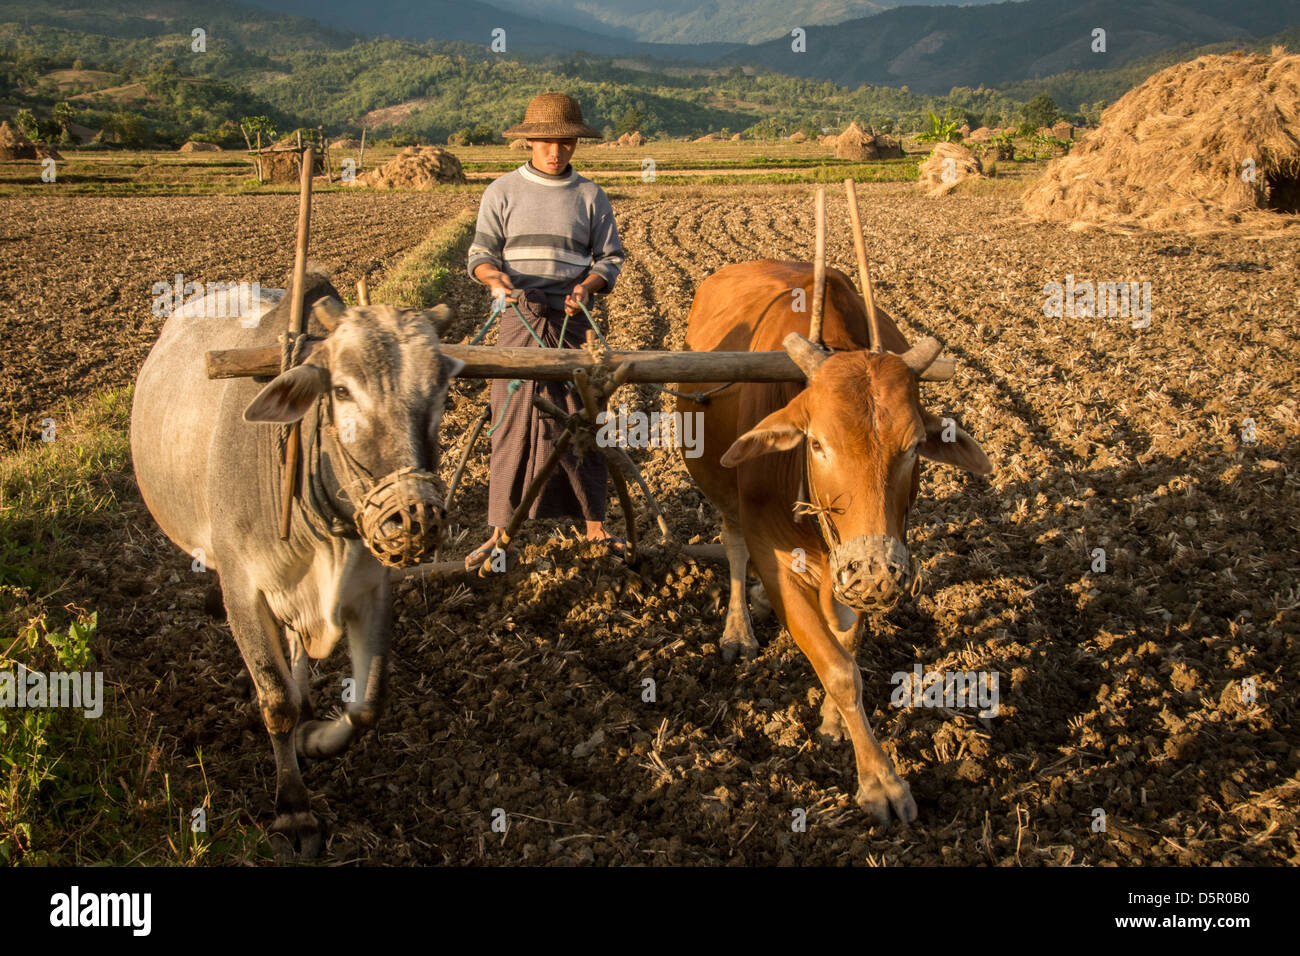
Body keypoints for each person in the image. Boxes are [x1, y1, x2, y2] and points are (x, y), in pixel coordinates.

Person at [464, 92, 626, 569]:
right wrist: (496, 279)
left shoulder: (590, 196)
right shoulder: (502, 192)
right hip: (519, 314)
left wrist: (586, 286)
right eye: (546, 142)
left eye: (565, 142)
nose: (555, 151)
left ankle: (595, 525)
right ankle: (500, 532)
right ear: (529, 142)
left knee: (579, 414)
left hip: (570, 318)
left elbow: (610, 258)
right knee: (511, 414)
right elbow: (481, 255)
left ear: (575, 145)